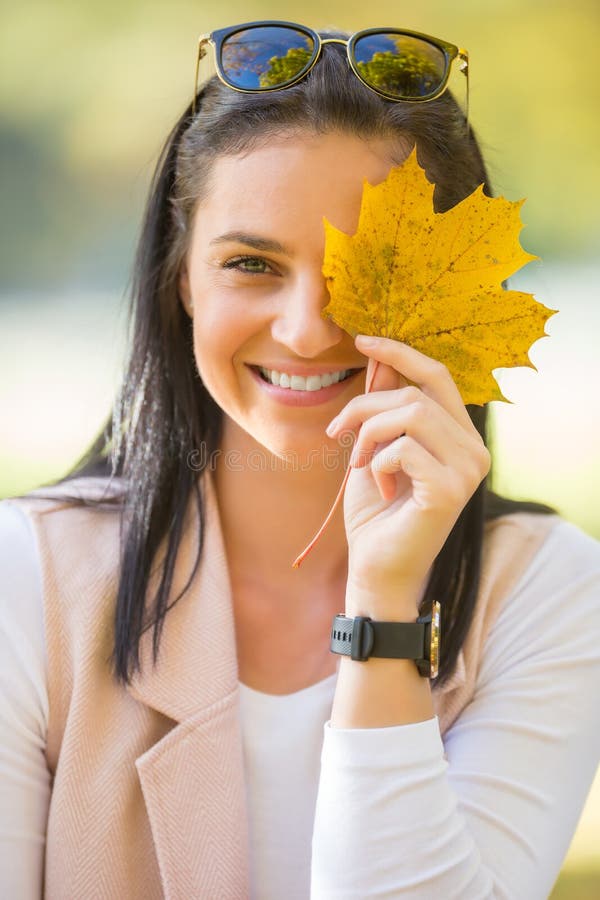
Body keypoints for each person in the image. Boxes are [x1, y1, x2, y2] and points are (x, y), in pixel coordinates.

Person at [1, 21, 599, 900]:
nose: (306, 330)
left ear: (459, 293)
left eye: (367, 271)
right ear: (183, 280)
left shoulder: (547, 591)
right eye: (250, 263)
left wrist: (385, 605)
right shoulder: (27, 581)